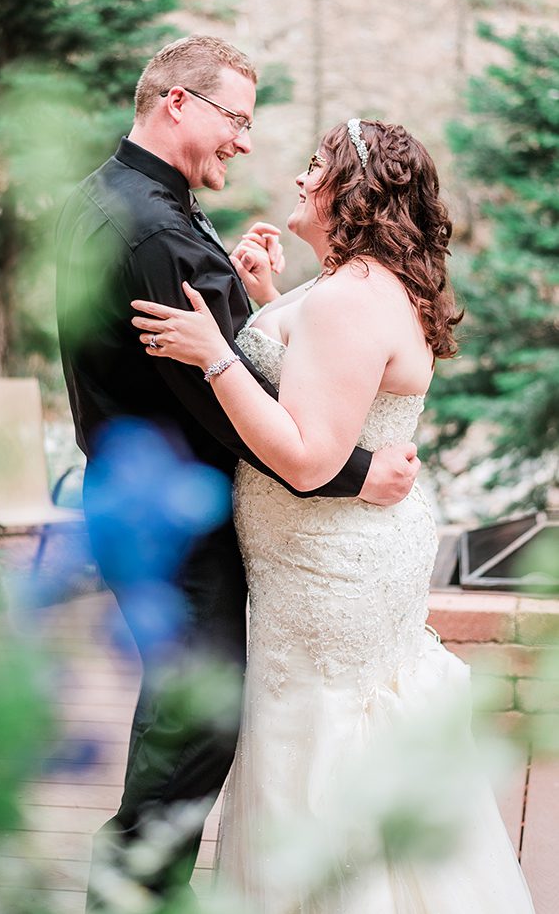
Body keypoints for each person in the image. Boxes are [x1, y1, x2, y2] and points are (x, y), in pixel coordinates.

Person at [129, 120, 533, 913]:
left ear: (350, 191)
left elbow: (311, 456)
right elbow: (324, 380)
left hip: (328, 573)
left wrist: (214, 350)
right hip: (336, 556)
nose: (297, 179)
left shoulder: (351, 298)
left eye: (314, 166)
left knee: (320, 737)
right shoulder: (357, 282)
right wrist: (266, 304)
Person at [54, 35, 421, 908]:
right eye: (236, 120)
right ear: (177, 102)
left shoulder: (121, 200)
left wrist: (257, 301)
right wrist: (359, 469)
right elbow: (230, 409)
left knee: (188, 730)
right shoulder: (154, 230)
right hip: (174, 523)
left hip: (144, 504)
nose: (247, 144)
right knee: (189, 737)